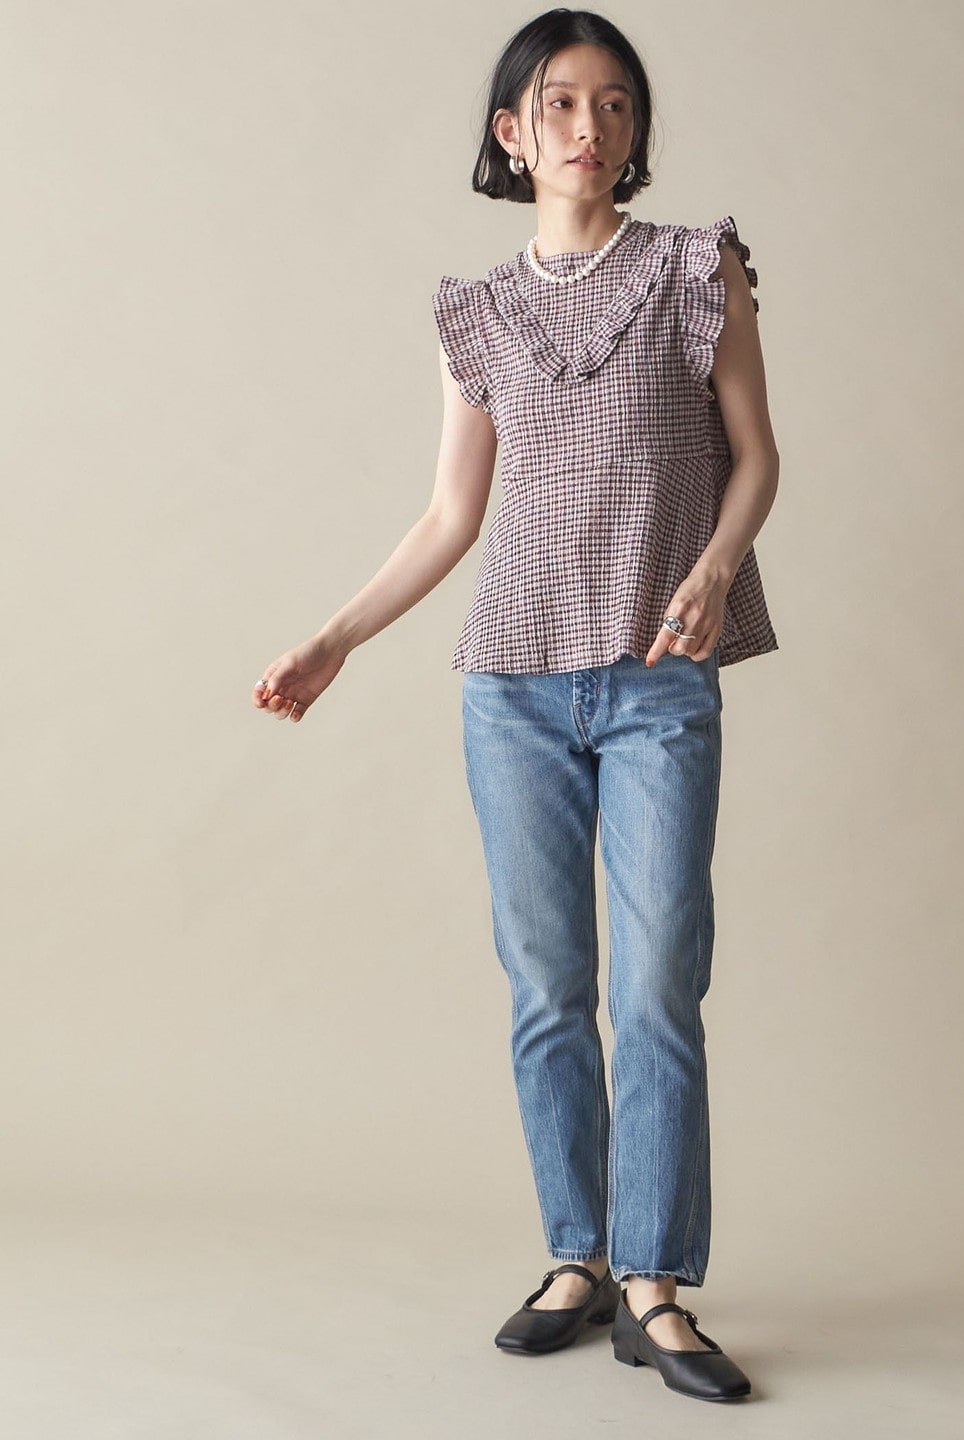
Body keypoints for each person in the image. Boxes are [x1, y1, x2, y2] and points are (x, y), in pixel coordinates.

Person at [251, 7, 778, 1404]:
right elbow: (450, 515)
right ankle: (576, 1257)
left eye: (615, 104)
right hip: (513, 691)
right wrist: (336, 638)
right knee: (548, 989)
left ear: (635, 130)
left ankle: (655, 1287)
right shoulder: (476, 313)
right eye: (560, 105)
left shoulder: (696, 267)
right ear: (513, 133)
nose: (589, 127)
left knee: (657, 984)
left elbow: (757, 457)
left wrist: (715, 570)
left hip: (658, 681)